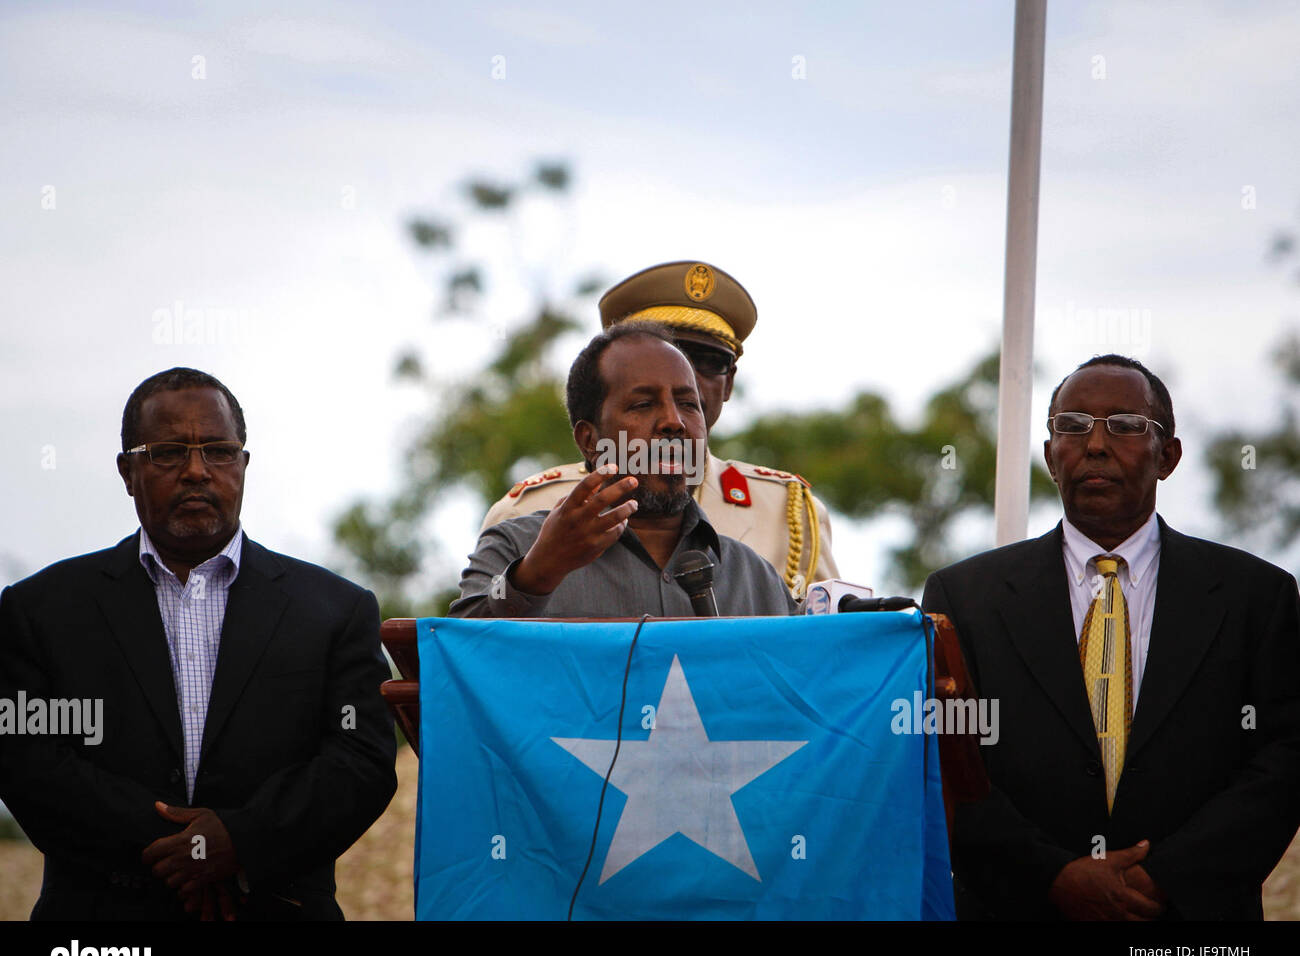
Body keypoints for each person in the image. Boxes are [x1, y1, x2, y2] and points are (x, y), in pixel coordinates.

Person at [0, 367, 397, 921]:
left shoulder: (335, 610)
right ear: (127, 471)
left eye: (218, 451)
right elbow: (26, 763)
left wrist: (241, 841)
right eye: (167, 453)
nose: (196, 471)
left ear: (244, 464)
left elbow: (362, 762)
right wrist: (185, 853)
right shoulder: (42, 609)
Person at [921, 355, 1300, 920]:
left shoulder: (1256, 597)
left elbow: (1283, 762)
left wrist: (1162, 880)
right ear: (1051, 455)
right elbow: (946, 767)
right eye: (1071, 426)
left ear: (1168, 456)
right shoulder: (965, 598)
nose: (1094, 445)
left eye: (1124, 425)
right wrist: (1054, 877)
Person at [481, 260, 838, 600]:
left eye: (710, 361)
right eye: (669, 352)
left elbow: (822, 648)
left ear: (729, 383)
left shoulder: (784, 510)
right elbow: (474, 643)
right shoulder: (530, 510)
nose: (684, 375)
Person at [452, 323, 795, 619]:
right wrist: (536, 574)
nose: (673, 422)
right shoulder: (519, 546)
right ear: (589, 440)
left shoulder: (756, 576)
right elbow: (455, 654)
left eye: (689, 404)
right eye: (643, 404)